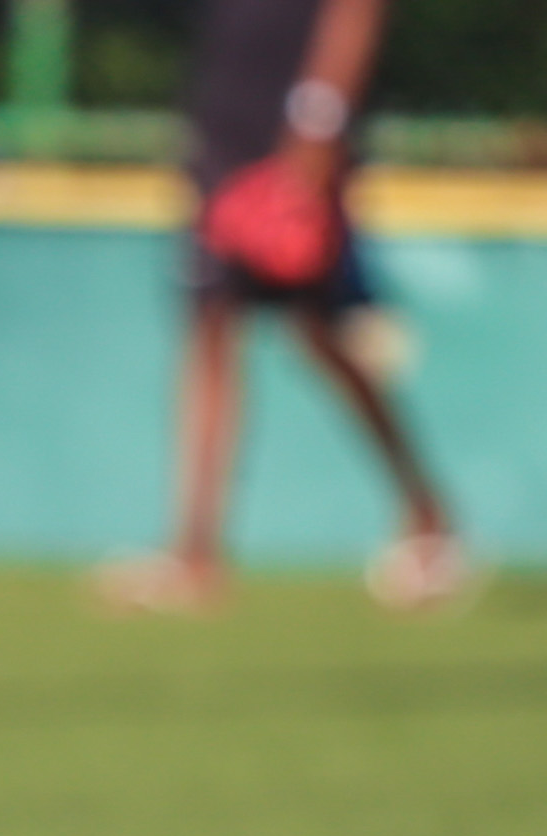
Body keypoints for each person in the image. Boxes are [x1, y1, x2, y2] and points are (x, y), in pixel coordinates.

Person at [101, 0, 468, 615]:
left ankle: (428, 515)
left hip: (298, 138)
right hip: (225, 133)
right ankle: (195, 554)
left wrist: (319, 129)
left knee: (324, 335)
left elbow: (356, 13)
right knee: (210, 327)